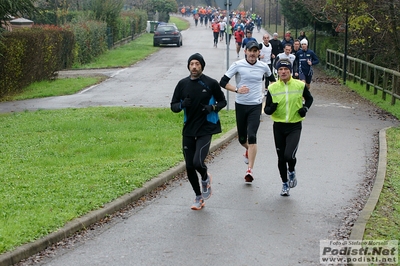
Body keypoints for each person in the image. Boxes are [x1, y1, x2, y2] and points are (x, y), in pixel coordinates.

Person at [171, 53, 227, 210]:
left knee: (197, 162)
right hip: (189, 129)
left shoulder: (210, 83)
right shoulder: (182, 84)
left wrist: (212, 108)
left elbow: (222, 101)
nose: (194, 66)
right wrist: (182, 105)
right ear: (188, 66)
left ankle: (204, 177)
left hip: (206, 127)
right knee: (189, 166)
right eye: (191, 64)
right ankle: (198, 197)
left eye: (197, 64)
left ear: (202, 66)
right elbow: (173, 106)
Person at [219, 41, 276, 182]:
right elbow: (222, 82)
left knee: (252, 136)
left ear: (258, 53)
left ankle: (249, 170)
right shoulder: (237, 65)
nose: (252, 54)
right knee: (242, 139)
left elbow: (273, 82)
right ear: (245, 51)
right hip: (241, 104)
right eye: (250, 51)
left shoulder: (263, 67)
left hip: (256, 105)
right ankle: (249, 150)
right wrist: (237, 89)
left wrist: (273, 97)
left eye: (255, 51)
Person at [264, 59, 313, 196]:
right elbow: (267, 109)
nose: (283, 72)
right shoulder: (273, 88)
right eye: (280, 69)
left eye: (286, 69)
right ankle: (284, 183)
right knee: (281, 158)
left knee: (288, 155)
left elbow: (309, 99)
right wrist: (270, 109)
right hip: (278, 126)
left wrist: (305, 108)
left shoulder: (299, 85)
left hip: (294, 125)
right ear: (277, 71)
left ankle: (291, 170)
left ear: (290, 70)